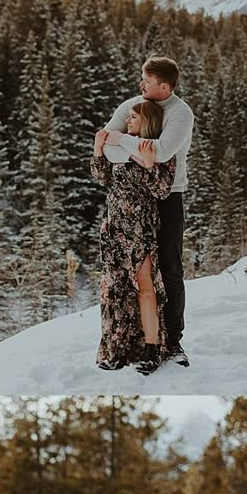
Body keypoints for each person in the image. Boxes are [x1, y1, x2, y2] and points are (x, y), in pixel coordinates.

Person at [102, 55, 194, 368]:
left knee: (169, 268)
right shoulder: (131, 106)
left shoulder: (180, 113)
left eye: (148, 81)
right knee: (129, 276)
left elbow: (162, 152)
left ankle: (174, 342)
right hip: (129, 203)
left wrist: (124, 141)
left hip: (168, 197)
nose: (141, 85)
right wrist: (135, 151)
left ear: (164, 86)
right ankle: (133, 341)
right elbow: (105, 145)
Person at [91, 100, 176, 374]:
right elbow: (103, 178)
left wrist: (149, 166)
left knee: (145, 287)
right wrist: (97, 149)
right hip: (114, 226)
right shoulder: (119, 148)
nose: (127, 121)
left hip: (140, 226)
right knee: (115, 289)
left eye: (133, 117)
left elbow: (162, 191)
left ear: (147, 121)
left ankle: (151, 349)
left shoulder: (156, 149)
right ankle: (117, 350)